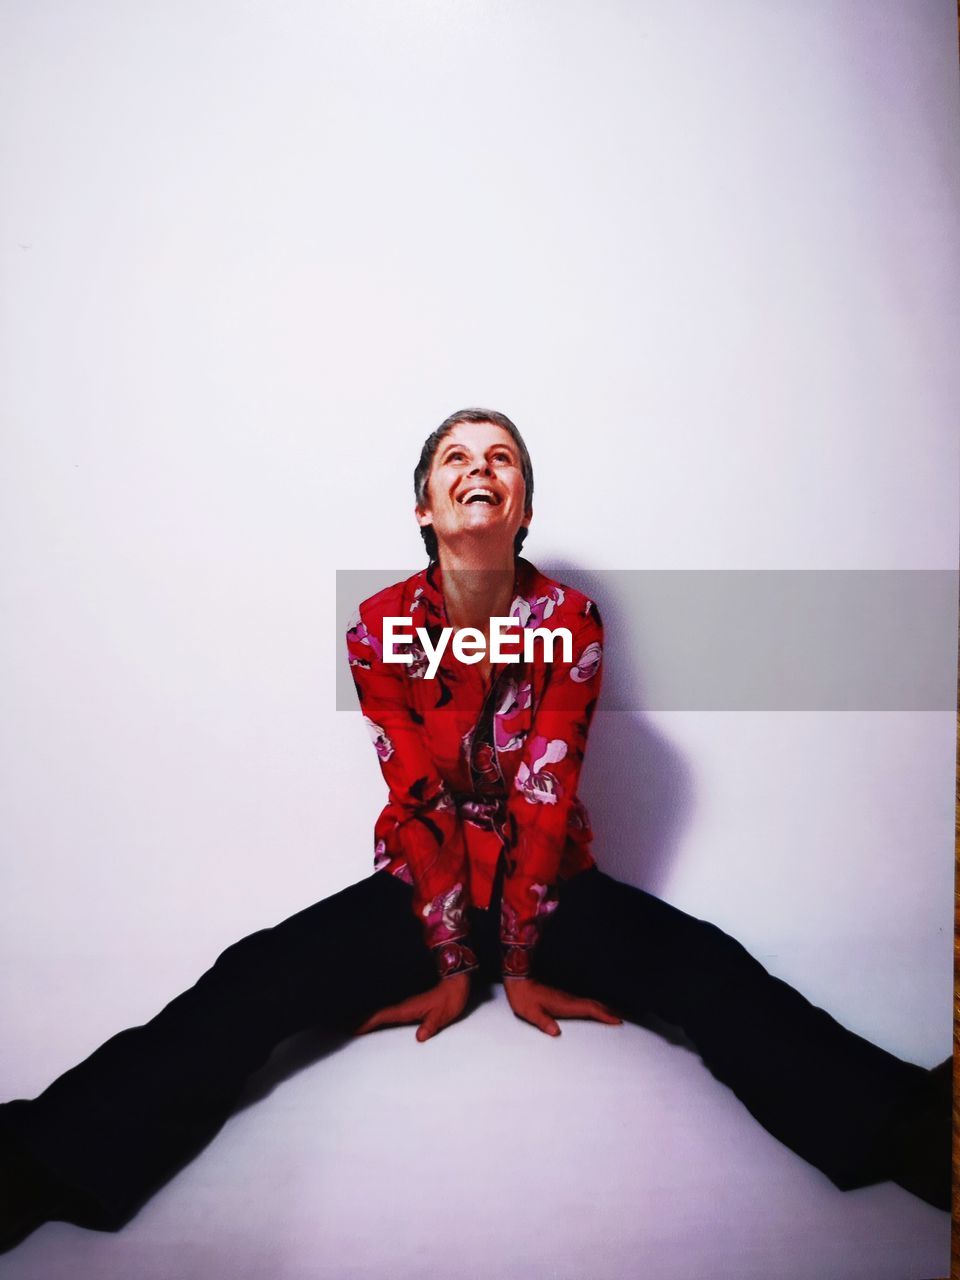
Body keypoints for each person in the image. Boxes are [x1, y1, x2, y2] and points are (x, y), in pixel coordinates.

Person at [0, 408, 951, 1255]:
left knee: (703, 967)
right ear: (424, 504)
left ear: (522, 502)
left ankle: (910, 1127)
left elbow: (546, 791)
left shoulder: (569, 620)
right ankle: (44, 1160)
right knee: (259, 975)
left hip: (549, 883)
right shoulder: (378, 628)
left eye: (501, 455)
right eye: (454, 456)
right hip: (426, 885)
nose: (477, 466)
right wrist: (455, 962)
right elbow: (415, 796)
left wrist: (525, 961)